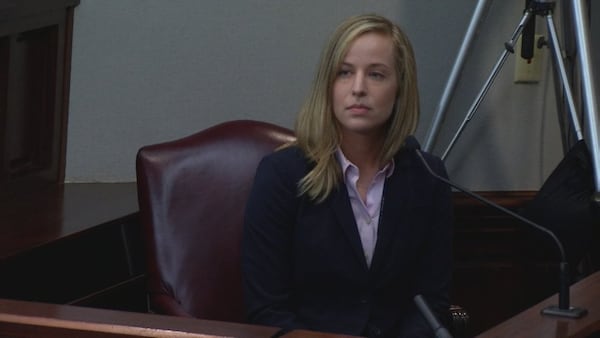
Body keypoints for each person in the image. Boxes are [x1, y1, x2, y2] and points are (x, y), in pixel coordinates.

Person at [241, 14, 453, 338]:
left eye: (376, 75)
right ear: (328, 85)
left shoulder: (428, 177)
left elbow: (431, 300)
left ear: (400, 89)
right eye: (344, 73)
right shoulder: (282, 174)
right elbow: (266, 309)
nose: (358, 88)